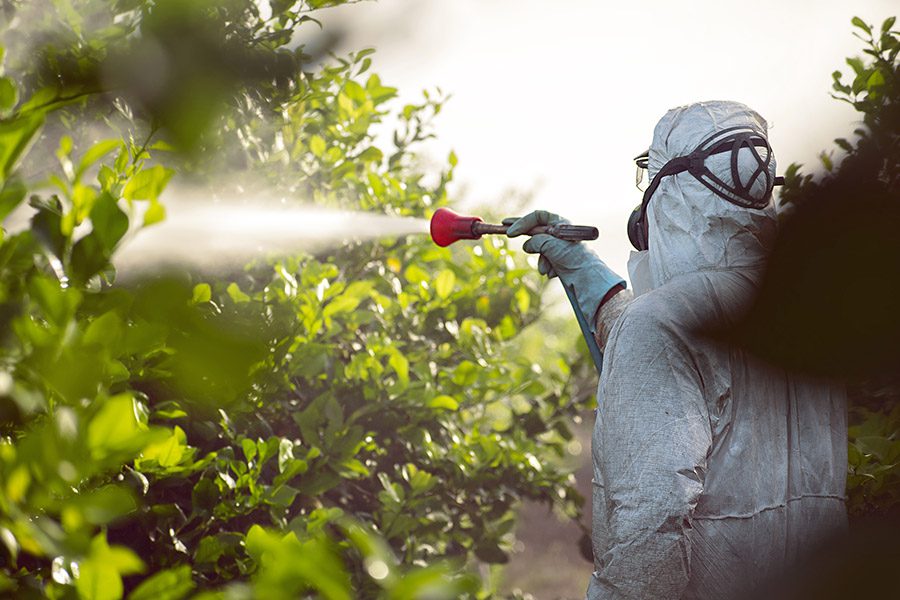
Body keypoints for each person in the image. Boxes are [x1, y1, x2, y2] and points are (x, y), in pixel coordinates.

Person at [506, 101, 847, 599]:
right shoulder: (803, 320)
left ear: (673, 194)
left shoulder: (660, 328)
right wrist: (581, 267)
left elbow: (651, 521)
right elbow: (676, 351)